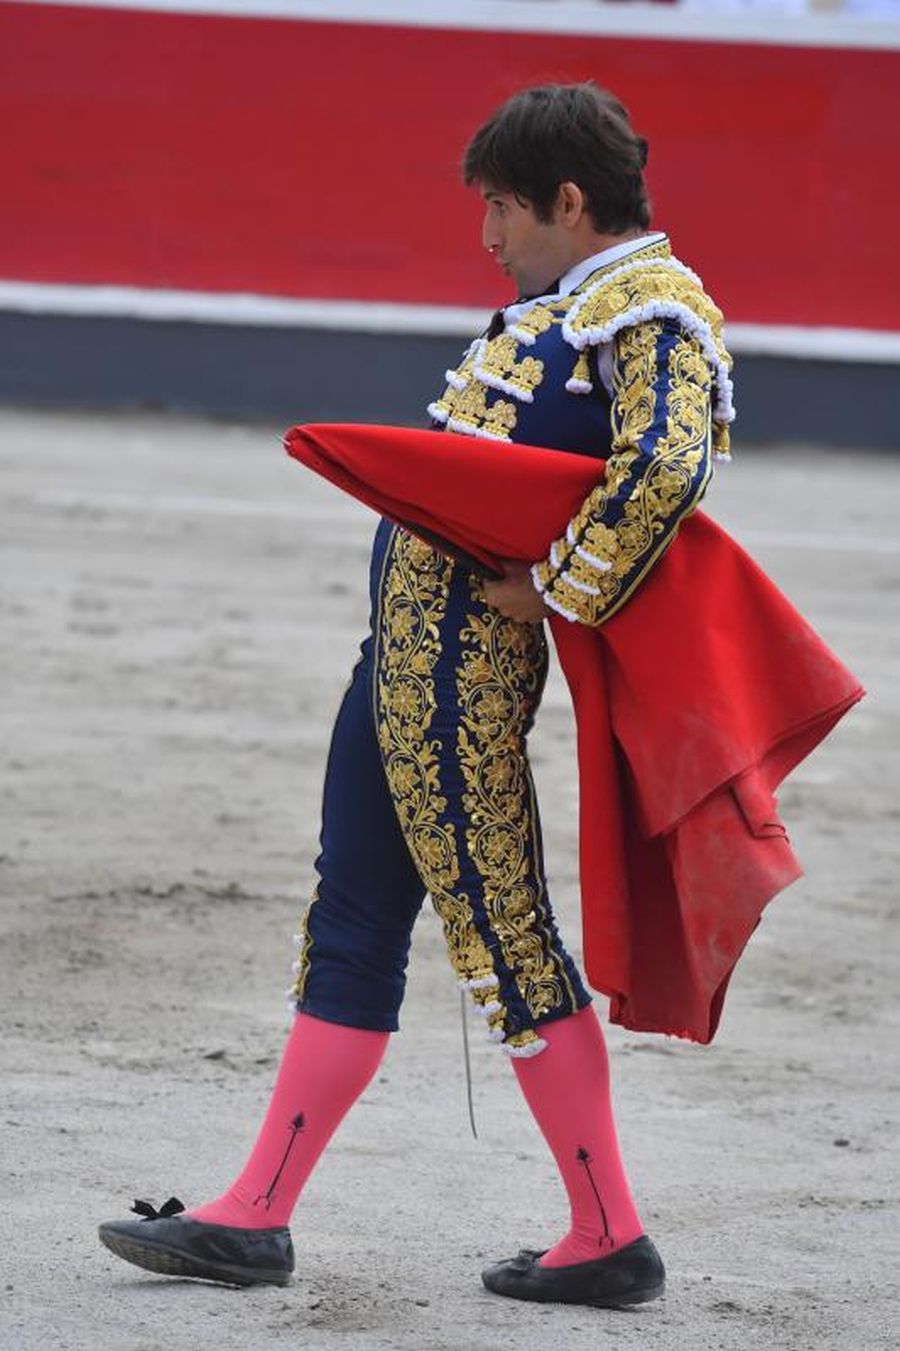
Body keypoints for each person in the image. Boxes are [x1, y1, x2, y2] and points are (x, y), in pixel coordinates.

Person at [98, 81, 734, 1308]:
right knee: (351, 918)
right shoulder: (566, 303)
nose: (487, 236)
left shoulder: (649, 305)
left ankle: (610, 1232)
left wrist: (557, 589)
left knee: (502, 935)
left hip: (464, 672)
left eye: (502, 208)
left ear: (567, 198)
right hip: (396, 658)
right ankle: (256, 1213)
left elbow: (669, 463)